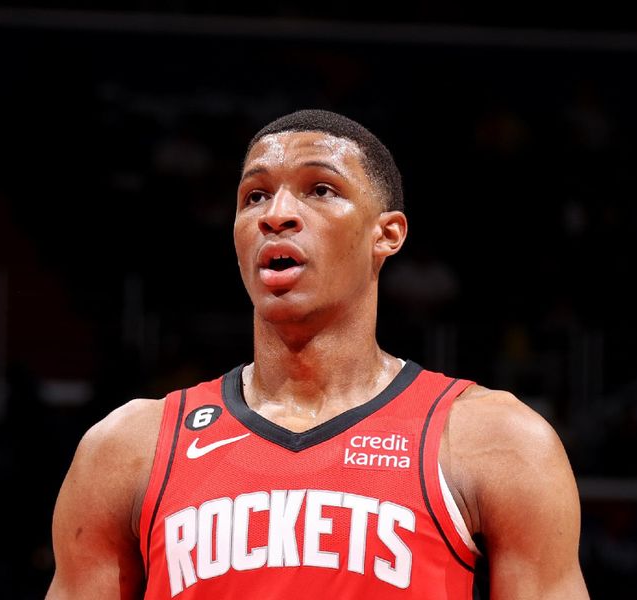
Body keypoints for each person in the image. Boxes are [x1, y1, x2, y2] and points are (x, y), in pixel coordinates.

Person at [45, 108, 590, 599]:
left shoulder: (494, 442)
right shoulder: (127, 449)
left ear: (388, 234)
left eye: (320, 189)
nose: (275, 214)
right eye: (254, 196)